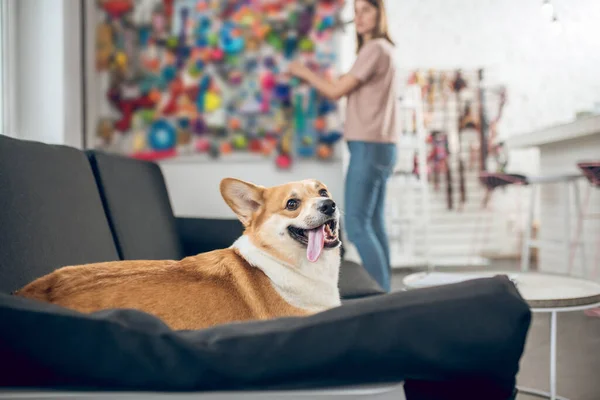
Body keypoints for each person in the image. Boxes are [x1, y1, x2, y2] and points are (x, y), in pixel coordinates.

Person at [288, 0, 398, 291]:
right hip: (383, 147)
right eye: (356, 12)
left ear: (379, 13)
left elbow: (337, 91)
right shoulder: (386, 50)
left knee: (358, 226)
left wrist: (303, 72)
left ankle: (382, 296)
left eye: (366, 10)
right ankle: (387, 292)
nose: (359, 17)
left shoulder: (374, 48)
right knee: (373, 223)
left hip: (368, 145)